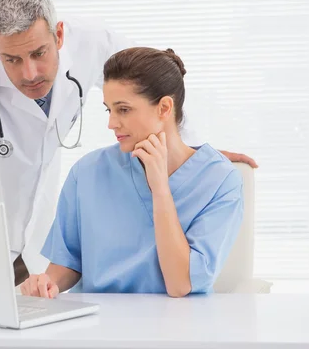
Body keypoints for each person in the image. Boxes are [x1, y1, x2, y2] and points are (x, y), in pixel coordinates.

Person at [0, 0, 256, 308]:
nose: (30, 73)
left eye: (39, 53)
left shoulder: (94, 42)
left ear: (58, 35)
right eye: (11, 59)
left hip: (48, 243)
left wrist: (191, 151)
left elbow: (155, 82)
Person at [20, 47, 243, 298]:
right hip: (96, 326)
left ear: (164, 108)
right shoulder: (87, 172)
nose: (111, 123)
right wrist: (46, 283)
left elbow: (181, 284)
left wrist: (160, 189)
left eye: (123, 109)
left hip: (178, 327)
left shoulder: (220, 182)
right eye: (109, 110)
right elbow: (68, 262)